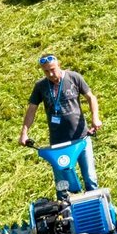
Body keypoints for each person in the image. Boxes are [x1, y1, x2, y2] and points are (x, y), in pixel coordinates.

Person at [18, 55, 101, 191]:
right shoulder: (41, 86)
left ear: (59, 65)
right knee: (62, 184)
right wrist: (24, 133)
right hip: (58, 143)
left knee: (90, 179)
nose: (50, 74)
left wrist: (95, 118)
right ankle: (65, 209)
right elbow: (32, 109)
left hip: (81, 138)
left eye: (52, 69)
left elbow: (91, 97)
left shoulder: (74, 77)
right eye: (46, 71)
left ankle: (95, 208)